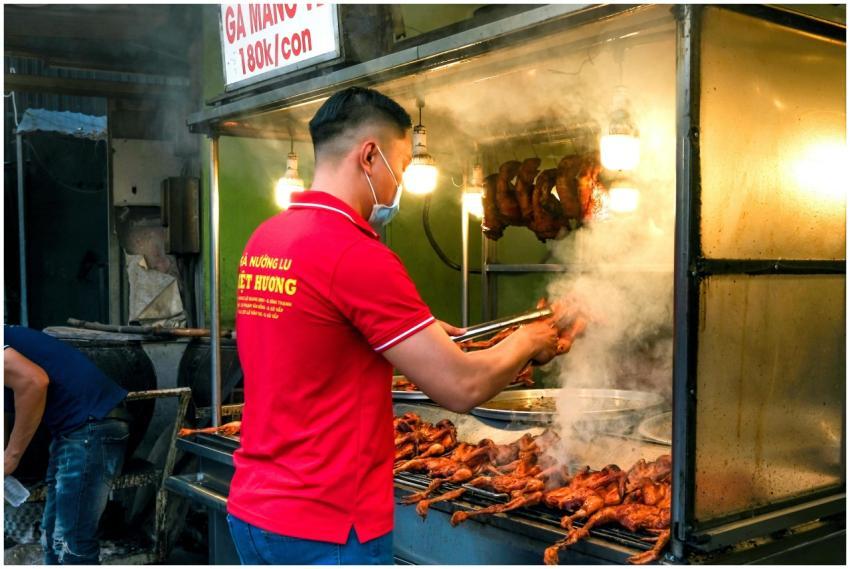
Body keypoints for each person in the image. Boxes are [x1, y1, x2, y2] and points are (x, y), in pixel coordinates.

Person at [227, 86, 576, 565]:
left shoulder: (268, 238)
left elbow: (312, 332)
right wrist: (527, 339)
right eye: (403, 168)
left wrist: (418, 329)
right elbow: (461, 385)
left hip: (256, 509)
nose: (400, 188)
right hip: (326, 525)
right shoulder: (356, 252)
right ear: (370, 156)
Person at [4, 325, 130, 565]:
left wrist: (11, 457)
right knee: (53, 539)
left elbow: (34, 382)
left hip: (91, 427)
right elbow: (7, 412)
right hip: (74, 431)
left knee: (72, 543)